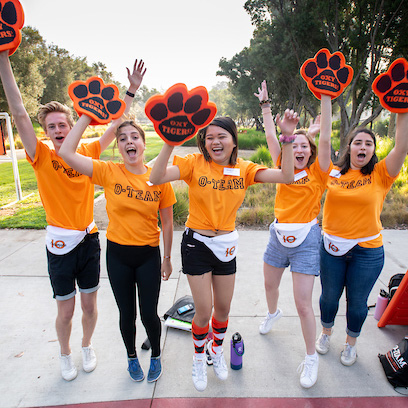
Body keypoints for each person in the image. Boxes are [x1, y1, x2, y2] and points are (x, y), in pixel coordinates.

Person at [0, 50, 145, 381]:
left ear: (72, 124)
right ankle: (65, 353)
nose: (57, 130)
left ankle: (86, 345)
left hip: (89, 239)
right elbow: (20, 113)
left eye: (62, 124)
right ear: (46, 131)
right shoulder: (41, 154)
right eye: (51, 127)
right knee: (65, 310)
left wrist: (131, 90)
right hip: (60, 245)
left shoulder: (88, 151)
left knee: (90, 307)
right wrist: (3, 56)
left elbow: (115, 124)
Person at [149, 112, 297, 391]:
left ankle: (216, 350)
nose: (214, 142)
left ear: (233, 141)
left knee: (224, 309)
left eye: (221, 136)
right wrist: (169, 141)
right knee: (203, 311)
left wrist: (287, 137)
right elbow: (156, 177)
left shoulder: (244, 168)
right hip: (197, 245)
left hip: (227, 245)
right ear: (203, 142)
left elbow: (287, 176)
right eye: (209, 138)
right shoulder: (194, 163)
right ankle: (198, 356)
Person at [59, 114, 176, 383]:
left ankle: (156, 355)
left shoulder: (158, 177)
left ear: (144, 144)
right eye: (122, 139)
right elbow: (66, 152)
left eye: (134, 137)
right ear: (117, 147)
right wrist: (87, 116)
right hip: (118, 256)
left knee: (149, 313)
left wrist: (167, 258)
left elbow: (167, 223)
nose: (129, 142)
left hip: (148, 255)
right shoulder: (108, 171)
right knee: (127, 313)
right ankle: (132, 357)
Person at [255, 80, 332, 388]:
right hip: (278, 236)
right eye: (294, 145)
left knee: (303, 305)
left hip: (307, 241)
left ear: (311, 151)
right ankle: (273, 313)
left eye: (304, 146)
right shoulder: (283, 161)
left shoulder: (319, 171)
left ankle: (311, 357)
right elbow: (273, 135)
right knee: (269, 286)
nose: (298, 149)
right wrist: (266, 106)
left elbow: (324, 137)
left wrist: (326, 97)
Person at [316, 111, 408, 366]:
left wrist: (402, 109)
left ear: (373, 151)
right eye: (358, 142)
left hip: (367, 252)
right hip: (332, 248)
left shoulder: (381, 173)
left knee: (357, 303)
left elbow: (402, 146)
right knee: (328, 297)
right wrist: (325, 98)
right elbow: (323, 142)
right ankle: (325, 334)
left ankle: (350, 343)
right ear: (349, 147)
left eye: (369, 144)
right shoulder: (333, 173)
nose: (363, 146)